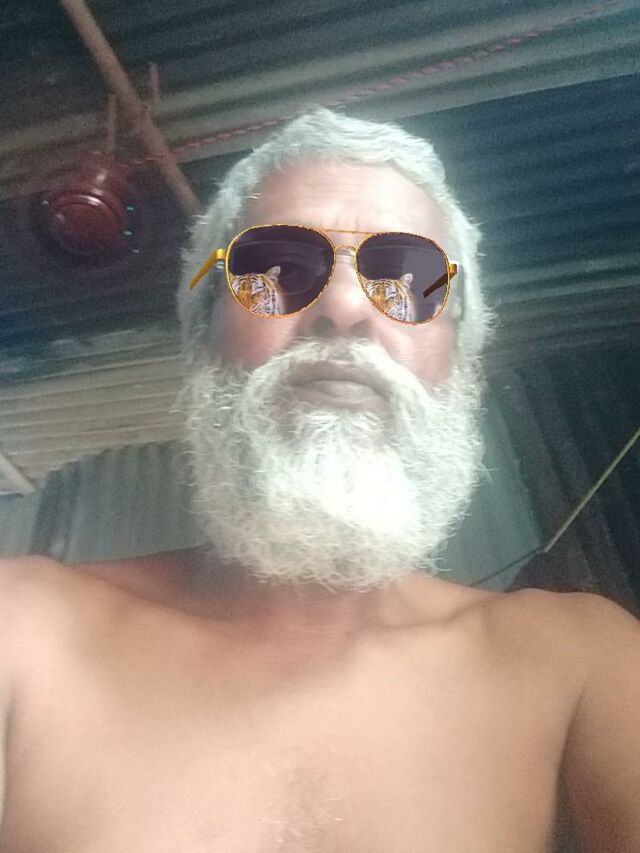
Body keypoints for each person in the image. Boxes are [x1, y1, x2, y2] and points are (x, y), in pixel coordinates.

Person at [0, 107, 638, 853]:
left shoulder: (581, 666)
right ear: (205, 337)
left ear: (458, 357)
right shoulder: (24, 632)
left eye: (407, 278)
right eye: (275, 268)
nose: (343, 306)